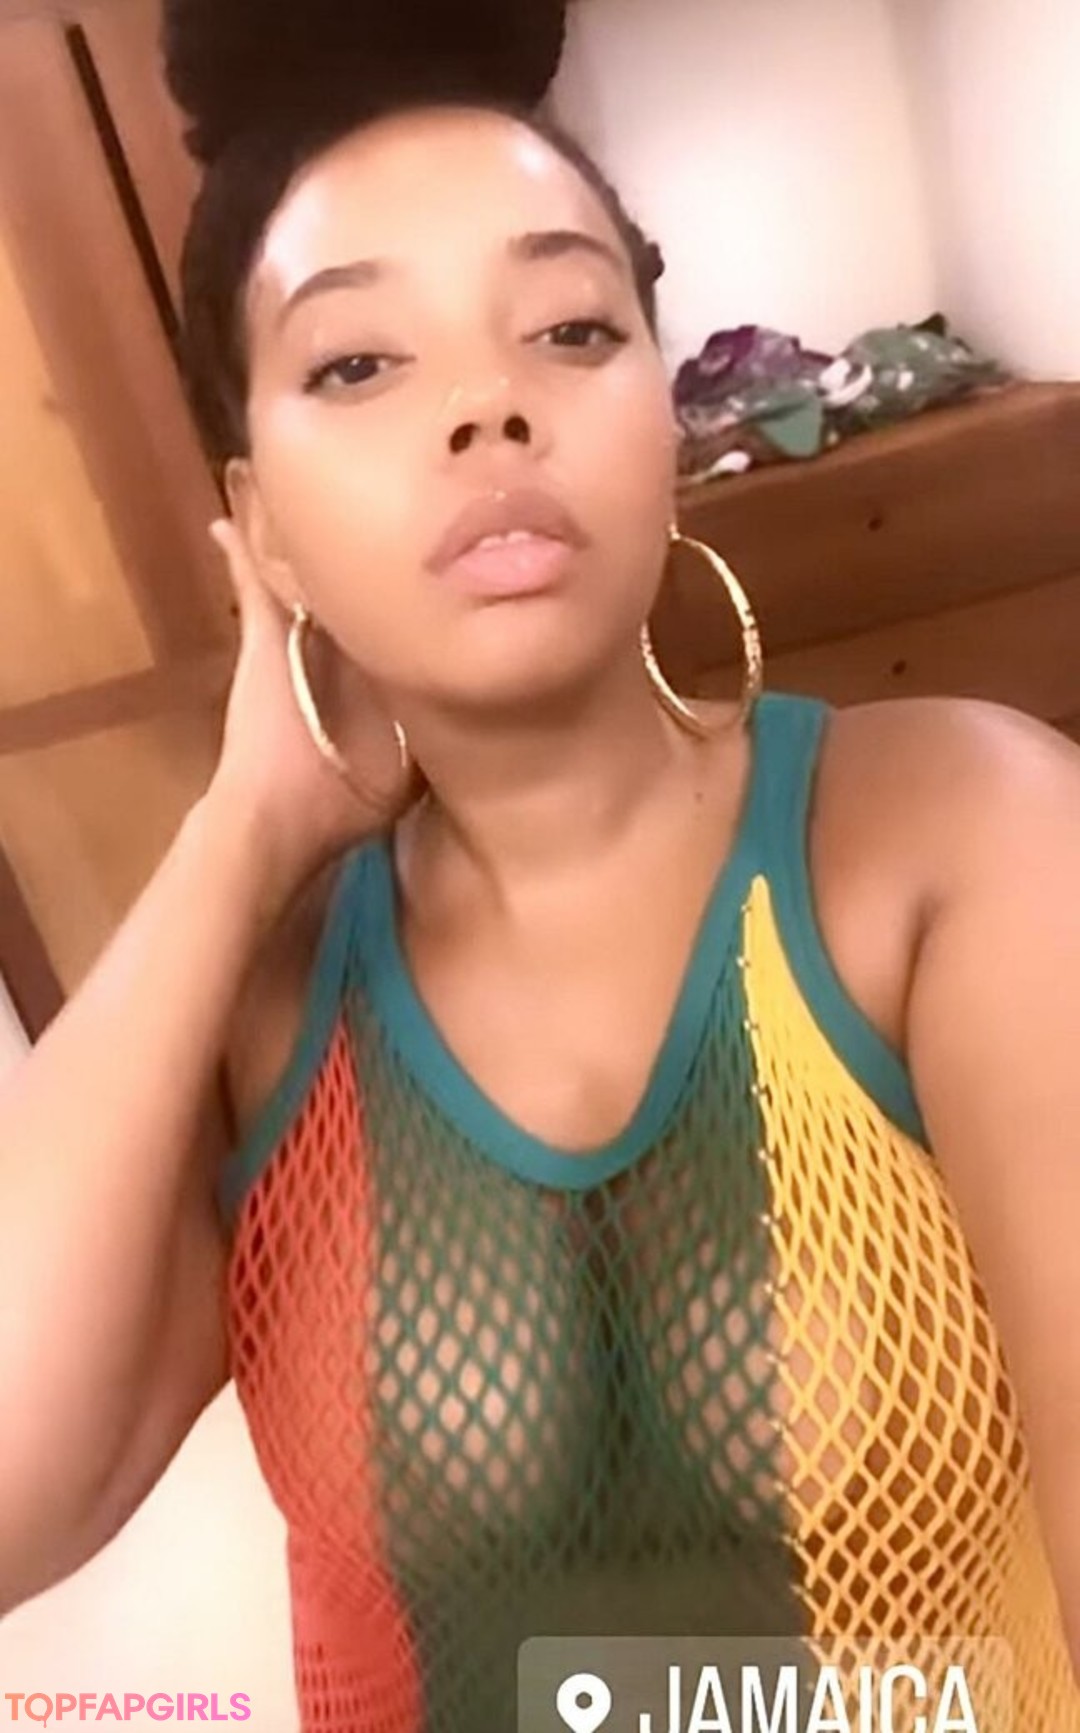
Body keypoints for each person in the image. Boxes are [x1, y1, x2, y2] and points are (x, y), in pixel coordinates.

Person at [1, 46, 1079, 1733]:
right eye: (359, 361)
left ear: (667, 414)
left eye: (570, 330)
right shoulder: (268, 1003)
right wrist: (239, 832)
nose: (488, 406)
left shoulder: (959, 836)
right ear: (260, 530)